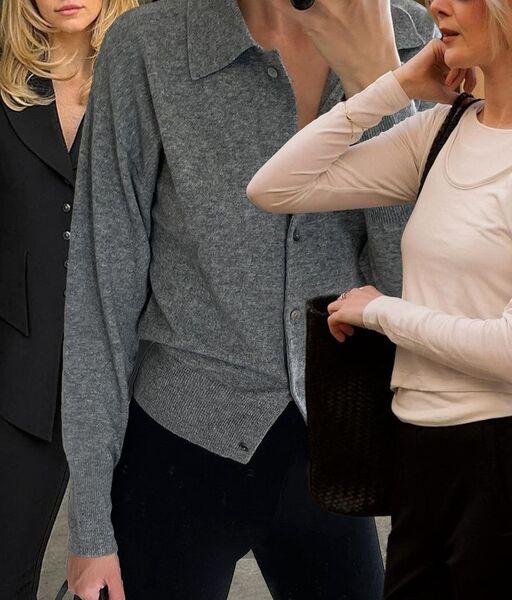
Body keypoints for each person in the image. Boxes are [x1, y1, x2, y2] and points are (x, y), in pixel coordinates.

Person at [247, 0, 512, 597]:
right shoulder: (445, 130)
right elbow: (273, 188)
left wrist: (381, 311)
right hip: (421, 467)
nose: (437, 4)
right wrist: (395, 86)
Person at [60, 0, 434, 599]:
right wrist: (89, 524)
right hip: (176, 449)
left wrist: (382, 89)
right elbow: (102, 288)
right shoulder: (150, 46)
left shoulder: (420, 43)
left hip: (338, 444)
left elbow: (418, 290)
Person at [0, 1, 136, 598]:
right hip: (20, 369)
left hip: (134, 366)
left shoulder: (142, 80)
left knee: (131, 574)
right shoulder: (6, 83)